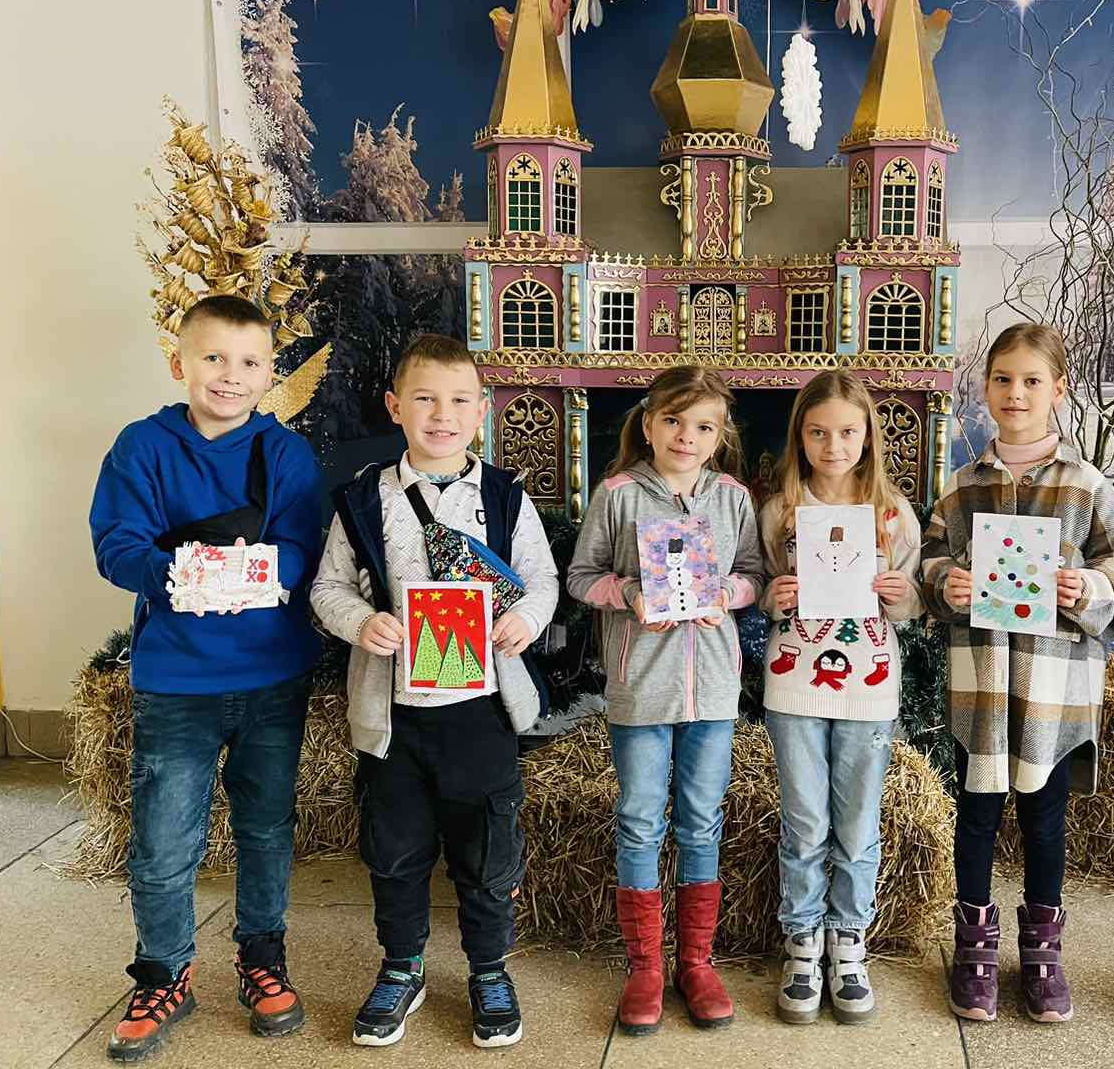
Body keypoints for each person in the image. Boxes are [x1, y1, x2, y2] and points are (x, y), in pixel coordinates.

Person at [89, 294, 324, 1062]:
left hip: (272, 676)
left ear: (270, 374)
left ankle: (263, 958)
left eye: (250, 362)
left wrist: (262, 572)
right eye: (214, 357)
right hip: (176, 682)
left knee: (265, 827)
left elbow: (304, 546)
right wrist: (181, 576)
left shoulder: (287, 456)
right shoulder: (142, 447)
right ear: (179, 363)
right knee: (163, 840)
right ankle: (163, 974)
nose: (231, 375)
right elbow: (117, 544)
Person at [310, 334, 558, 1050]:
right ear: (396, 407)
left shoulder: (506, 499)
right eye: (424, 399)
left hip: (481, 713)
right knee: (395, 850)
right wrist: (363, 623)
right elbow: (326, 587)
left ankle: (489, 970)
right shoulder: (365, 500)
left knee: (488, 852)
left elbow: (541, 579)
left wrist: (524, 620)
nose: (441, 415)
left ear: (482, 411)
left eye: (458, 401)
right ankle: (402, 966)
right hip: (394, 716)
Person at [920, 323, 1114, 1026]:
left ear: (1058, 390)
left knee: (1046, 820)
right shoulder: (962, 486)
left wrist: (1089, 587)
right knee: (978, 814)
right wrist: (946, 582)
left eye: (1031, 380)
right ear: (986, 387)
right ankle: (975, 949)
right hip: (981, 680)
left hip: (1054, 681)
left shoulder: (1086, 485)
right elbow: (929, 561)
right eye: (1003, 379)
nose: (1015, 393)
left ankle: (1043, 954)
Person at [566, 366, 765, 1036]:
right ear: (648, 424)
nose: (687, 436)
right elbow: (581, 577)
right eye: (674, 421)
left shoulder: (732, 498)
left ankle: (696, 963)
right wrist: (630, 595)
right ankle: (646, 966)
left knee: (702, 820)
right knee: (640, 819)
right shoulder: (619, 495)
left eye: (703, 426)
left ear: (720, 435)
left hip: (712, 689)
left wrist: (725, 595)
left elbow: (754, 576)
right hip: (641, 688)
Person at [756, 370, 923, 1025]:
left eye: (847, 432)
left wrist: (899, 595)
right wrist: (775, 597)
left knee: (856, 826)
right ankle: (802, 943)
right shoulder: (780, 511)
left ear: (868, 436)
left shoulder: (892, 514)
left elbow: (911, 602)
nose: (833, 446)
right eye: (819, 433)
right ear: (800, 436)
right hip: (795, 684)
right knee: (805, 823)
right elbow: (762, 589)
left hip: (869, 688)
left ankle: (848, 942)